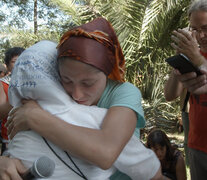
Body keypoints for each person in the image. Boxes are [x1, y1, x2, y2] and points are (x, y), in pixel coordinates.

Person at [0, 18, 164, 179]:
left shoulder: (124, 92)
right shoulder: (46, 99)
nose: (76, 94)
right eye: (67, 80)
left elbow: (106, 153)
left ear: (108, 72)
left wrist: (34, 117)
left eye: (88, 83)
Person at [164, 0, 207, 179]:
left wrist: (196, 58)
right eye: (195, 29)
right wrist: (180, 60)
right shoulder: (193, 57)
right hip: (197, 145)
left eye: (206, 28)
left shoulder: (197, 57)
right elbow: (170, 94)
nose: (201, 36)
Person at [0, 47, 24, 155]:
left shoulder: (35, 81)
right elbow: (1, 111)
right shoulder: (2, 83)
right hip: (10, 139)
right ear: (8, 65)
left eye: (22, 60)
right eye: (14, 61)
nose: (19, 64)